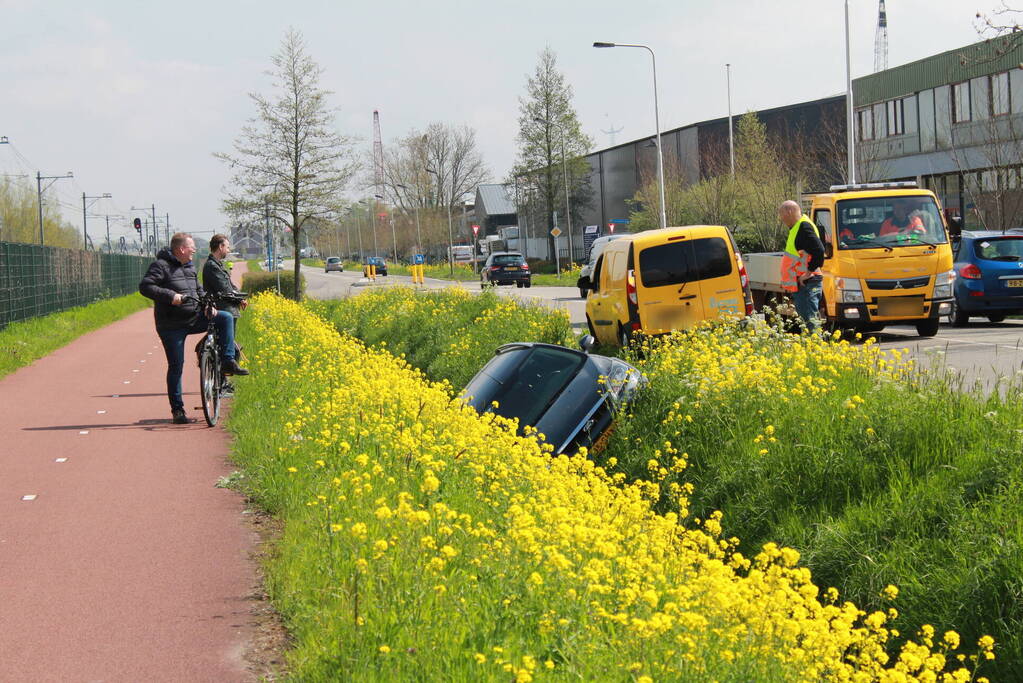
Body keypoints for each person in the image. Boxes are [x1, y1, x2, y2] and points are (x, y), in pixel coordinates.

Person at [139, 232, 248, 424]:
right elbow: (145, 287)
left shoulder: (189, 267)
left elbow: (199, 290)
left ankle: (227, 360)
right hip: (171, 324)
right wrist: (170, 296)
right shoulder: (160, 266)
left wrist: (208, 304)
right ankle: (178, 411)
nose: (194, 251)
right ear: (182, 249)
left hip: (193, 317)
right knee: (176, 366)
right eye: (192, 248)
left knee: (225, 318)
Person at [202, 234, 247, 394]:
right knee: (225, 348)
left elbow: (230, 285)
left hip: (229, 308)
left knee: (227, 346)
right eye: (227, 247)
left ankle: (223, 383)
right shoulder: (212, 266)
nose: (228, 250)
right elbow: (224, 289)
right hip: (223, 309)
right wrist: (238, 298)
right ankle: (220, 385)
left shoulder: (218, 265)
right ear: (220, 247)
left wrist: (240, 297)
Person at [778, 200, 825, 332]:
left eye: (782, 215)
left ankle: (816, 349)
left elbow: (819, 250)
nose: (782, 219)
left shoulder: (803, 227)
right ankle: (813, 347)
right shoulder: (799, 227)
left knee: (811, 323)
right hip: (804, 283)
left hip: (807, 283)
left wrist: (808, 273)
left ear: (789, 211)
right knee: (807, 322)